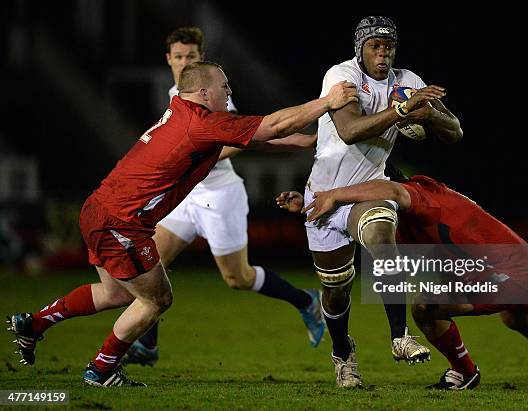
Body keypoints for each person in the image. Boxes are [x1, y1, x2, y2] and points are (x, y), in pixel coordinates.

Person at [6, 61, 358, 387]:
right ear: (204, 93)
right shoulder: (202, 123)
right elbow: (274, 125)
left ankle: (33, 324)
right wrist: (327, 101)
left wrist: (310, 141)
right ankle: (102, 368)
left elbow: (258, 138)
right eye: (224, 86)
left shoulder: (181, 112)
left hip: (98, 209)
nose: (230, 92)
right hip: (122, 223)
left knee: (116, 293)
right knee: (156, 299)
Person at [277, 166, 528, 390]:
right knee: (522, 320)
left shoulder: (416, 197)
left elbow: (391, 190)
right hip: (510, 262)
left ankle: (465, 372)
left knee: (425, 305)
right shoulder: (400, 216)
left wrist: (333, 194)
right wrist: (308, 202)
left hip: (502, 271)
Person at [122, 26, 325, 367]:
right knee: (150, 265)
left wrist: (190, 158)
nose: (184, 61)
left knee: (237, 278)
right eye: (179, 57)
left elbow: (235, 140)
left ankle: (306, 301)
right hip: (186, 196)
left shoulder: (214, 94)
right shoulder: (176, 92)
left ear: (200, 58)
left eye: (191, 56)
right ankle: (148, 345)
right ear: (168, 59)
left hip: (219, 195)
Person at [300, 15, 462, 387]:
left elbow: (455, 131)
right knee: (336, 291)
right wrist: (403, 111)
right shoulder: (342, 77)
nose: (383, 53)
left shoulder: (408, 82)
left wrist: (431, 115)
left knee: (381, 238)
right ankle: (343, 353)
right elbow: (350, 130)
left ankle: (400, 336)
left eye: (388, 46)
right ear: (360, 48)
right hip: (323, 198)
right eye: (375, 45)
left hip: (369, 190)